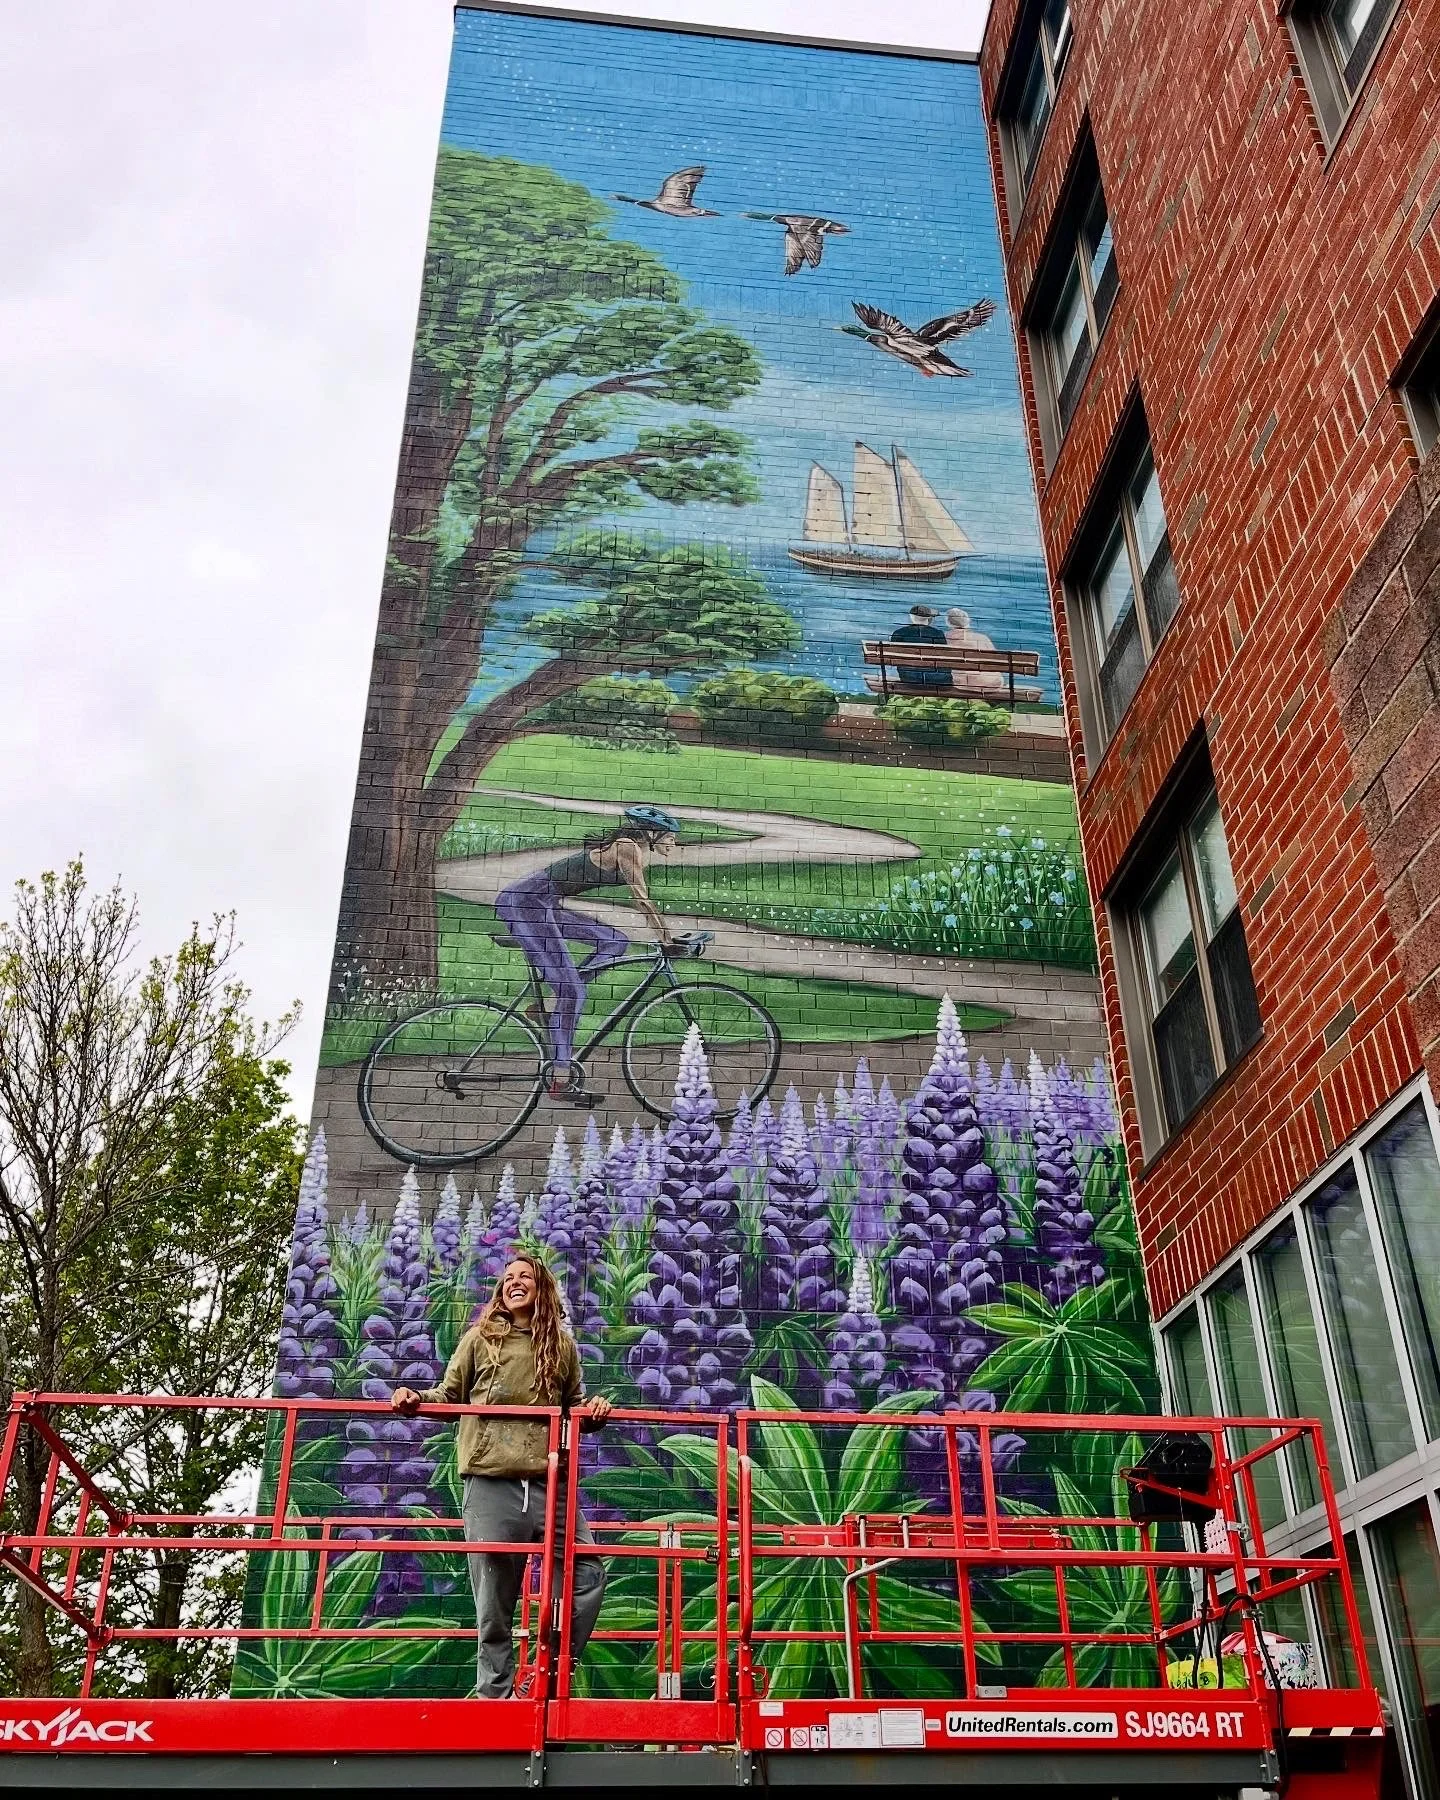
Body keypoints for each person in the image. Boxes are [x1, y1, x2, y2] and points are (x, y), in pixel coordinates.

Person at [393, 1253, 614, 1700]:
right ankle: (495, 1695)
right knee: (494, 1597)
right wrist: (415, 1398)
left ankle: (550, 1674)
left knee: (586, 1573)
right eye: (508, 1277)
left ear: (541, 1288)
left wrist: (593, 1412)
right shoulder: (480, 1338)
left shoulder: (562, 1346)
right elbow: (449, 1395)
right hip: (491, 1479)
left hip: (550, 1483)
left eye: (525, 1276)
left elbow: (573, 1407)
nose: (514, 1282)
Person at [494, 805, 682, 1105]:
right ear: (651, 833)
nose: (674, 842)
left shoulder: (633, 850)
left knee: (615, 942)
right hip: (525, 905)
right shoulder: (627, 847)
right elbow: (641, 899)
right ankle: (560, 1081)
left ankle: (552, 1006)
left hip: (542, 904)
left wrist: (667, 938)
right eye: (670, 836)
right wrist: (666, 939)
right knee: (573, 994)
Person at [887, 602, 951, 689]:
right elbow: (944, 656)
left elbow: (893, 658)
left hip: (910, 679)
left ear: (911, 617)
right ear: (928, 618)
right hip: (939, 680)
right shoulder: (938, 634)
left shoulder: (899, 633)